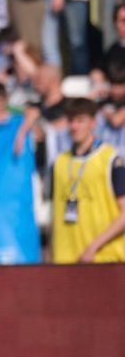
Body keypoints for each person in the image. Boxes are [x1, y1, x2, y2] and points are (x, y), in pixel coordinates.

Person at [51, 97, 125, 263]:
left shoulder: (110, 159)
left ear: (93, 123)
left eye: (80, 121)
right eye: (71, 121)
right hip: (65, 260)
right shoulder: (59, 162)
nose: (74, 127)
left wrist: (94, 247)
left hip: (104, 259)